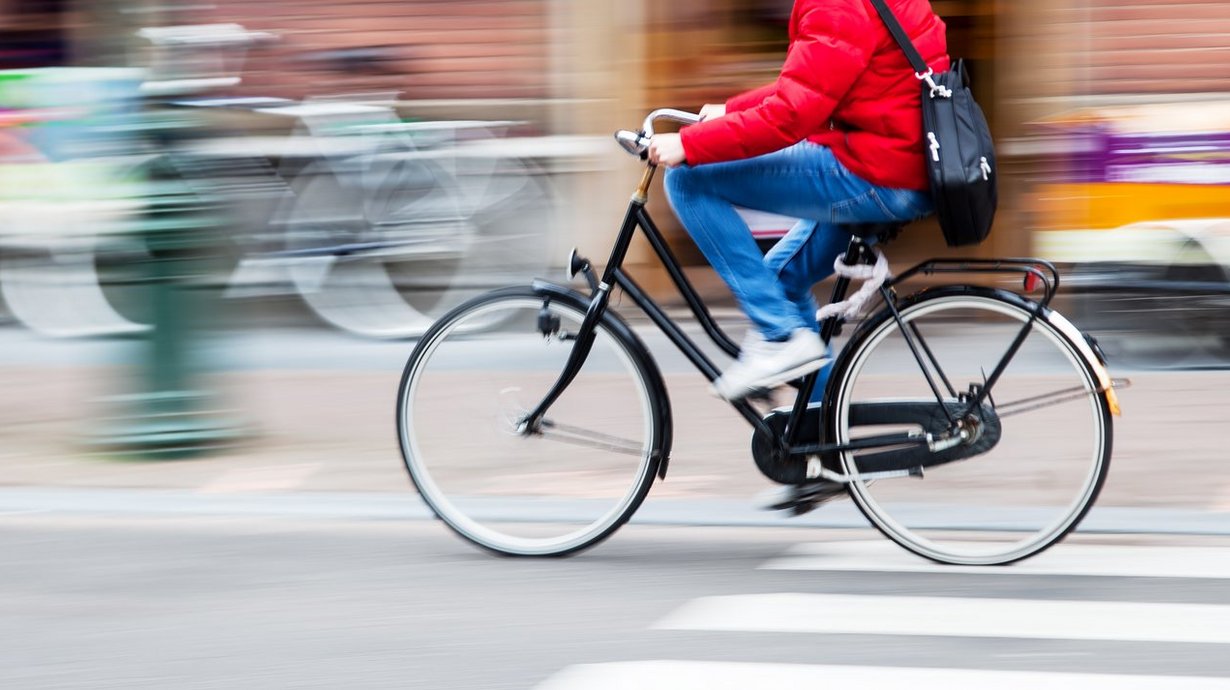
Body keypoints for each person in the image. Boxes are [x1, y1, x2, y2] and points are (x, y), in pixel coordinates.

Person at [648, 0, 949, 401]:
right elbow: (821, 81)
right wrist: (731, 110)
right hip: (898, 163)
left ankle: (780, 337)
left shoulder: (836, 4)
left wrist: (688, 144)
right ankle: (823, 432)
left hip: (876, 172)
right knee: (779, 283)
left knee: (688, 181)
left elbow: (791, 116)